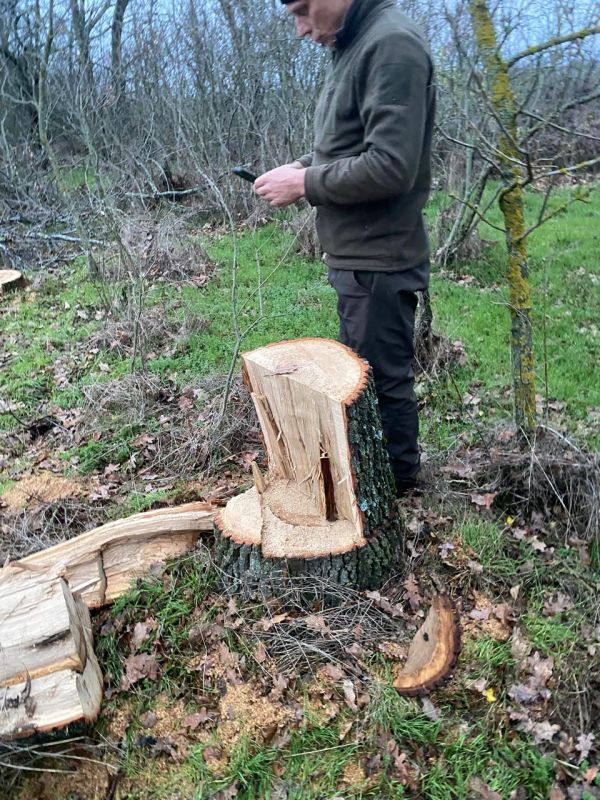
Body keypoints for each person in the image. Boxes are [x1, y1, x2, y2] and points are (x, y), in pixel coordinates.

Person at [254, 0, 435, 495]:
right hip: (359, 255)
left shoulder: (390, 44)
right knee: (367, 375)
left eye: (304, 10)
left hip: (379, 257)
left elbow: (391, 165)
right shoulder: (354, 45)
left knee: (379, 384)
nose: (301, 29)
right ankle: (380, 486)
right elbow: (351, 146)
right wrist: (299, 169)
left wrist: (307, 183)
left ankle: (395, 497)